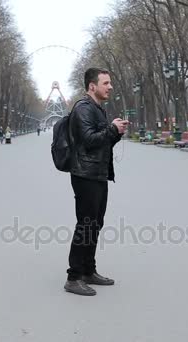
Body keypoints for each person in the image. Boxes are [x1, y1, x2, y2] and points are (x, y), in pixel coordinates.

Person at [63, 67, 129, 296]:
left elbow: (100, 144)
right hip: (85, 175)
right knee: (85, 224)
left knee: (95, 224)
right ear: (92, 86)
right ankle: (73, 277)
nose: (110, 87)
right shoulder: (83, 108)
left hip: (98, 174)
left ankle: (89, 271)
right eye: (106, 83)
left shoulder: (97, 109)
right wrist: (111, 129)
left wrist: (115, 132)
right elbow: (89, 141)